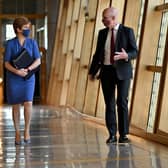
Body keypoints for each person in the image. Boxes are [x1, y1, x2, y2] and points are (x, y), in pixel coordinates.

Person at [89, 7, 138, 143]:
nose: (103, 21)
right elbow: (98, 54)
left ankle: (123, 135)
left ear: (113, 18)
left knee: (122, 102)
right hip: (106, 72)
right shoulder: (102, 33)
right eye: (103, 18)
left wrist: (126, 55)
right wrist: (92, 72)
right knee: (109, 104)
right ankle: (112, 134)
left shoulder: (128, 32)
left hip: (123, 72)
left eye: (105, 18)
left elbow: (135, 51)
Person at [4, 16, 41, 145]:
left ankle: (27, 130)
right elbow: (6, 63)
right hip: (14, 78)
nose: (28, 30)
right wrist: (17, 71)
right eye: (25, 28)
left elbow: (38, 60)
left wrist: (28, 68)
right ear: (18, 29)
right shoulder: (10, 44)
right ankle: (17, 132)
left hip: (28, 77)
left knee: (28, 103)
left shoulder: (32, 43)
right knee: (15, 106)